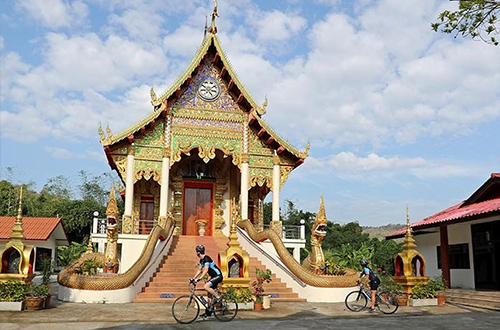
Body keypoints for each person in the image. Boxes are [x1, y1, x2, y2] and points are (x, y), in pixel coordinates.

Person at [191, 244, 223, 317]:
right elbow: (199, 270)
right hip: (213, 276)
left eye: (196, 251)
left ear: (198, 252)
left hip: (218, 276)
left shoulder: (207, 258)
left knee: (206, 286)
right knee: (209, 293)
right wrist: (193, 278)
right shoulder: (202, 260)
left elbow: (205, 270)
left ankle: (218, 297)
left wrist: (199, 279)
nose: (196, 253)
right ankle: (209, 311)